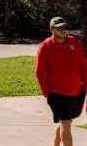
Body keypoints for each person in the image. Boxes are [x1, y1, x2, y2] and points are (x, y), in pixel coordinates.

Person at [35, 16, 87, 146]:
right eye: (60, 28)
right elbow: (39, 72)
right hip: (57, 93)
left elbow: (84, 66)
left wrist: (85, 87)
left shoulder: (75, 43)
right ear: (52, 29)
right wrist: (47, 93)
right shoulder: (46, 46)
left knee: (66, 122)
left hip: (76, 91)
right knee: (65, 123)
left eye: (65, 27)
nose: (64, 30)